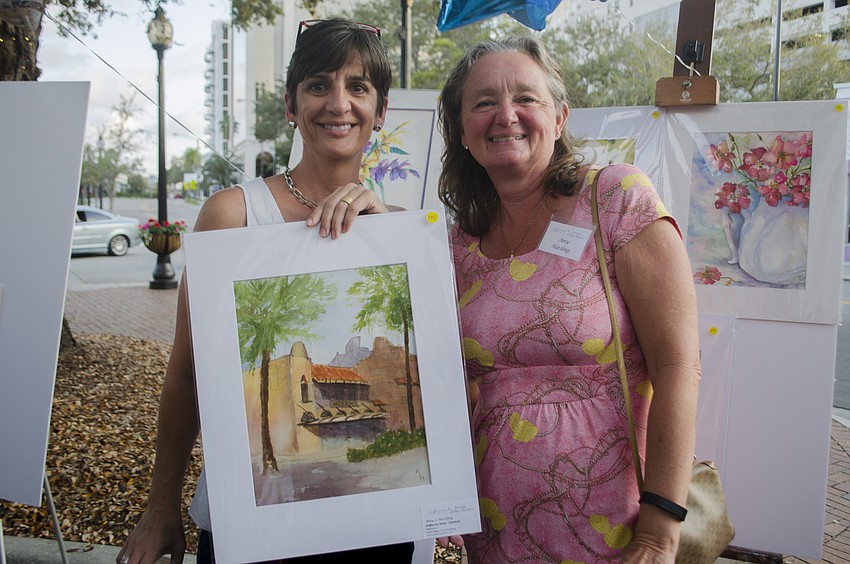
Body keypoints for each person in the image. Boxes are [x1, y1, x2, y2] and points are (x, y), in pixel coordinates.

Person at [118, 19, 414, 564]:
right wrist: (162, 503)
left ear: (381, 109)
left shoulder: (400, 229)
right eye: (319, 85)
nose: (338, 103)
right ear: (290, 105)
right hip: (251, 523)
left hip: (378, 529)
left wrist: (386, 233)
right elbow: (187, 371)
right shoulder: (234, 215)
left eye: (358, 87)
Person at [436, 36, 700, 563]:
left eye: (525, 99)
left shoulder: (616, 201)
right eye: (484, 102)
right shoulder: (457, 247)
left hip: (618, 531)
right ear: (463, 131)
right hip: (494, 530)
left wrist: (659, 532)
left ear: (559, 118)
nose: (505, 115)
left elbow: (678, 366)